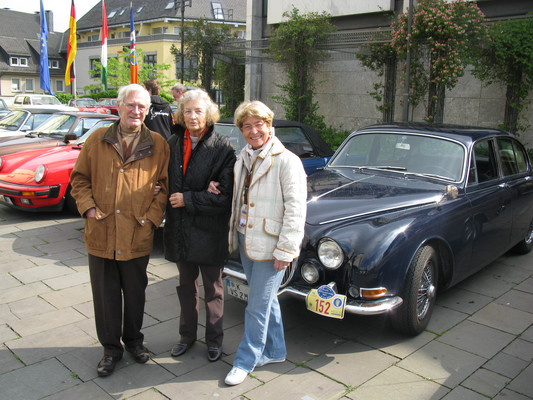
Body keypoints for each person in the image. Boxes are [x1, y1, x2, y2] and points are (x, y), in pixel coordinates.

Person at [70, 84, 170, 377]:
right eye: (131, 105)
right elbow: (79, 179)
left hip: (137, 232)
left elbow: (164, 187)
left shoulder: (158, 144)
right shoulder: (98, 139)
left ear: (148, 111)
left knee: (136, 293)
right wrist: (89, 208)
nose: (136, 111)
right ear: (119, 106)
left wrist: (151, 219)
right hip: (101, 231)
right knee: (106, 296)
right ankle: (111, 349)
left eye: (142, 107)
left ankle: (135, 341)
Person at [224, 101, 307, 386]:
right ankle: (276, 351)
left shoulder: (287, 161)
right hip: (247, 238)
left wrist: (286, 250)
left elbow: (296, 210)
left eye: (259, 124)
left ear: (269, 126)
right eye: (247, 126)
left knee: (256, 305)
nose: (253, 131)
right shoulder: (243, 157)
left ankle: (245, 360)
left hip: (271, 245)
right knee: (266, 300)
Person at [163, 89, 235, 362]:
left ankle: (214, 341)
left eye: (198, 111)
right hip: (180, 229)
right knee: (186, 288)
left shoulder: (223, 147)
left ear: (209, 114)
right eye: (188, 111)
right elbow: (164, 181)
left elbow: (225, 198)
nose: (193, 116)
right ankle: (187, 337)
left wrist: (189, 198)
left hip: (209, 231)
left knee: (213, 290)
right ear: (181, 114)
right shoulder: (173, 142)